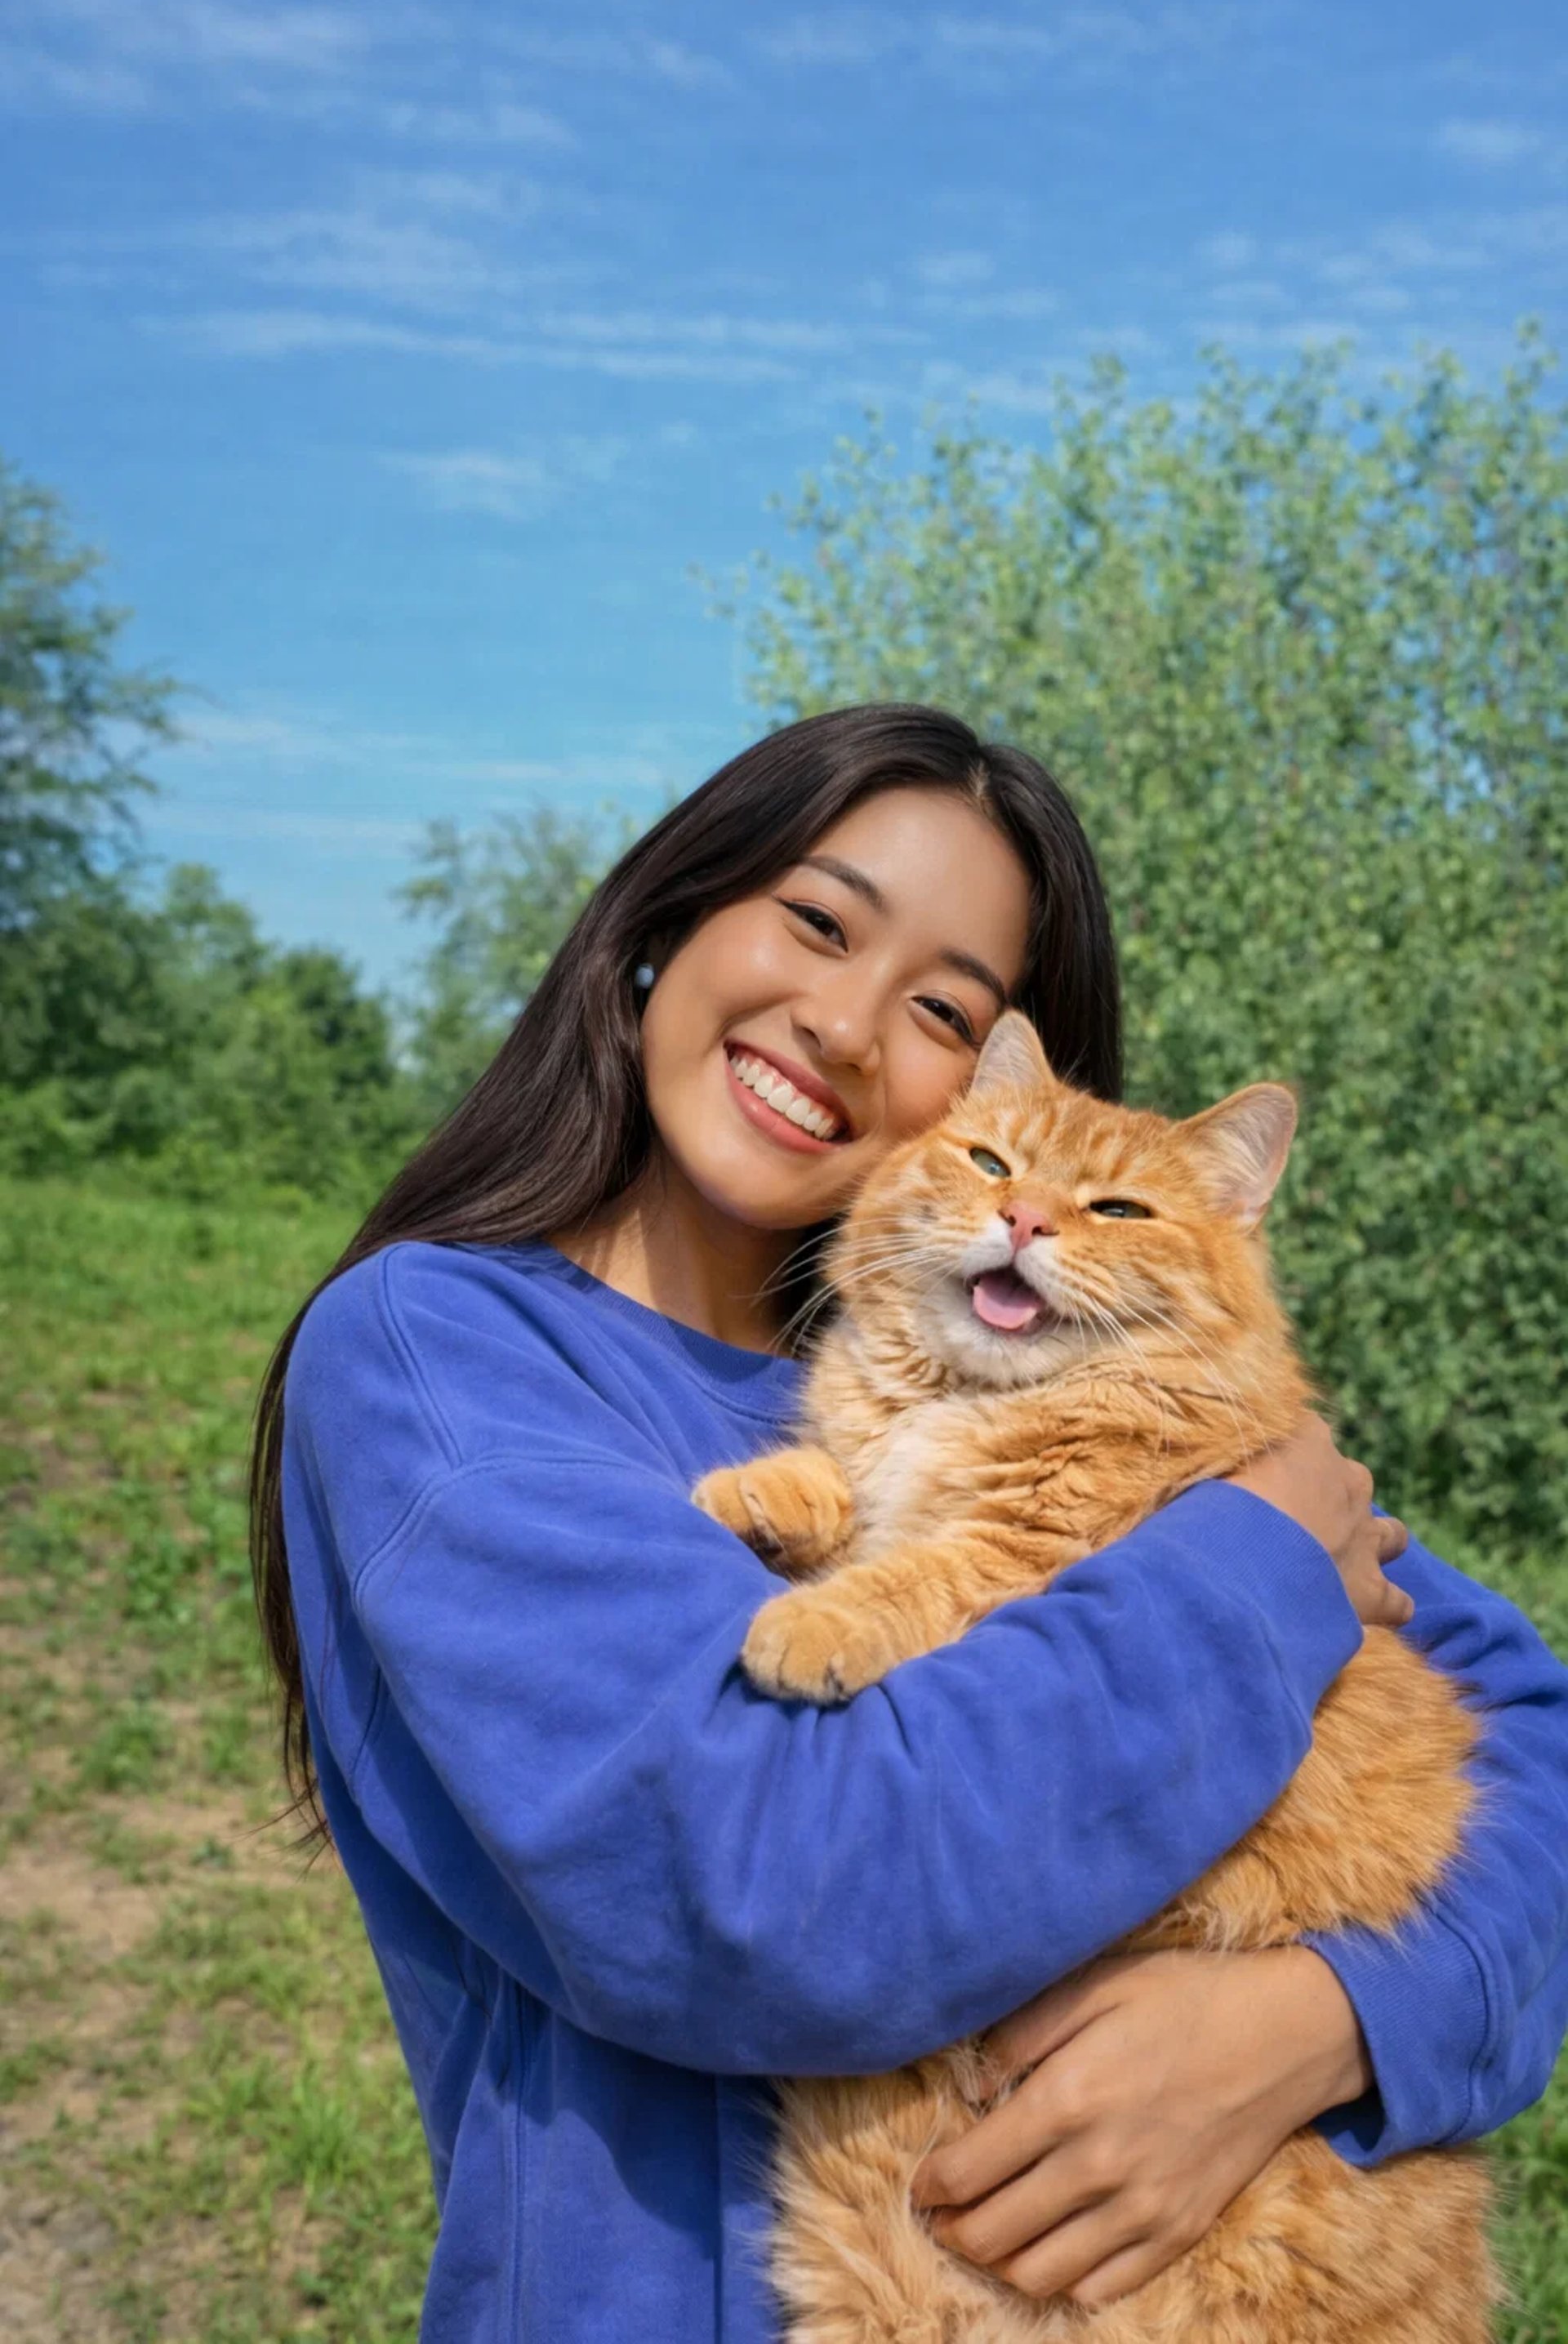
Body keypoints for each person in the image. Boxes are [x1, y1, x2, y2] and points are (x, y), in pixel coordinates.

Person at [252, 703, 1568, 2342]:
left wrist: (1333, 2018)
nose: (848, 1026)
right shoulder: (440, 1360)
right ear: (674, 911)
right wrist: (1249, 1568)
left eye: (946, 1008)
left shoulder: (1012, 1362)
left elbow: (1530, 1742)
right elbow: (764, 1893)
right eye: (816, 920)